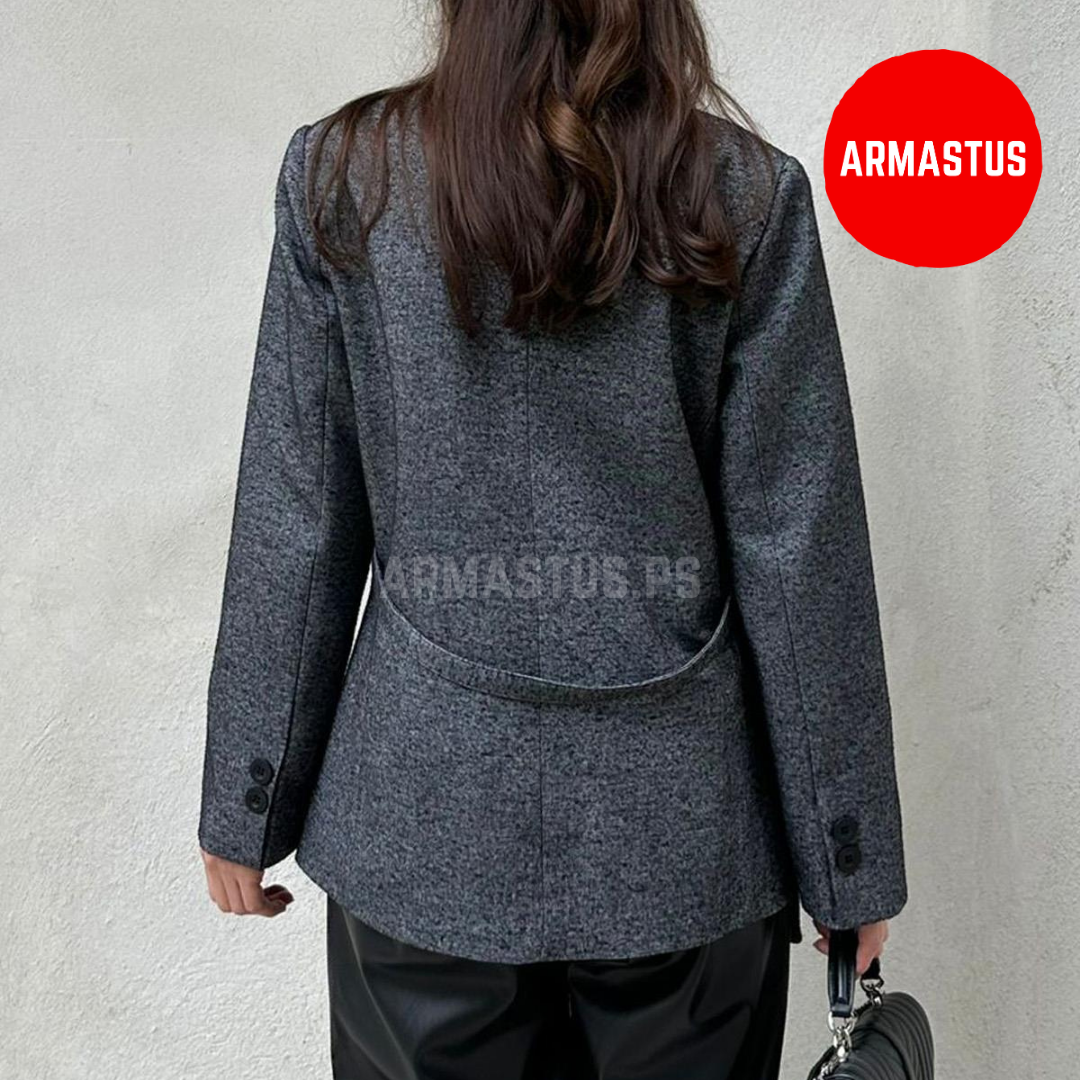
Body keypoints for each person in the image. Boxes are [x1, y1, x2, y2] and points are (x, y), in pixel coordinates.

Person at [196, 1, 907, 1077]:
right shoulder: (741, 193)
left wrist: (248, 800)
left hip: (424, 826)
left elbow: (299, 514)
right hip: (681, 844)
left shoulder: (349, 177)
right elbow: (798, 552)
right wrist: (848, 858)